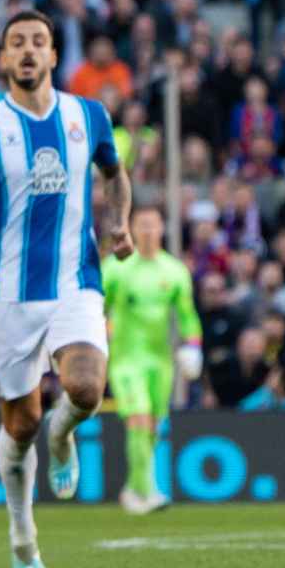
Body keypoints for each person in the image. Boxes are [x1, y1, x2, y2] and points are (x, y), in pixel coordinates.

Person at [0, 10, 133, 568]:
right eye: (16, 43)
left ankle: (64, 435)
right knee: (19, 426)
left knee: (87, 387)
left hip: (76, 281)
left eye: (38, 42)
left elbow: (115, 174)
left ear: (52, 56)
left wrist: (117, 223)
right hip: (11, 294)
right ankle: (23, 539)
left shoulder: (88, 114)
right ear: (3, 59)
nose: (27, 51)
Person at [101, 205, 201, 514]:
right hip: (126, 359)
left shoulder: (174, 271)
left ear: (162, 229)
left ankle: (133, 488)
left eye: (152, 225)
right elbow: (96, 307)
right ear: (131, 228)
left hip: (160, 361)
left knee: (153, 425)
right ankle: (149, 492)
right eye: (141, 225)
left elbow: (186, 315)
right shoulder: (116, 268)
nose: (147, 231)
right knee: (139, 417)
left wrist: (193, 346)